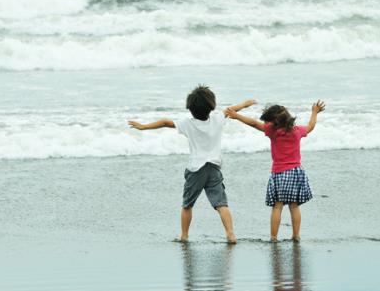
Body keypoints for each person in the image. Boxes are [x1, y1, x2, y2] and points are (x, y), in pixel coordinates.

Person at [128, 85, 256, 244]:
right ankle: (230, 234)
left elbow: (165, 122)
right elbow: (230, 110)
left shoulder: (187, 123)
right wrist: (244, 104)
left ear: (190, 109)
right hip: (214, 167)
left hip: (196, 169)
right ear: (212, 106)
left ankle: (184, 235)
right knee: (221, 204)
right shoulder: (217, 118)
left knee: (187, 205)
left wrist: (144, 126)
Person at [226, 101, 325, 242]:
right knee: (294, 206)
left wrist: (236, 116)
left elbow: (254, 123)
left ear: (273, 122)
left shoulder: (273, 131)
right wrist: (314, 112)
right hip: (296, 172)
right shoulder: (297, 131)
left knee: (277, 206)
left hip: (279, 173)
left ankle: (273, 237)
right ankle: (296, 235)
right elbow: (310, 126)